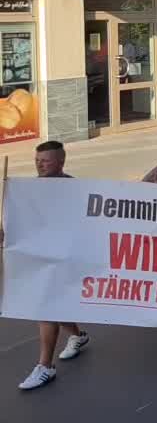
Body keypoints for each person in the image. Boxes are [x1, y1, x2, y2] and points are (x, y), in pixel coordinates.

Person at [16, 142, 91, 391]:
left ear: (61, 162)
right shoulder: (31, 189)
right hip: (42, 256)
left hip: (65, 257)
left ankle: (45, 366)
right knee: (53, 305)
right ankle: (78, 336)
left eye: (45, 161)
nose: (39, 164)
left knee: (46, 305)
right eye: (37, 160)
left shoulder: (73, 189)